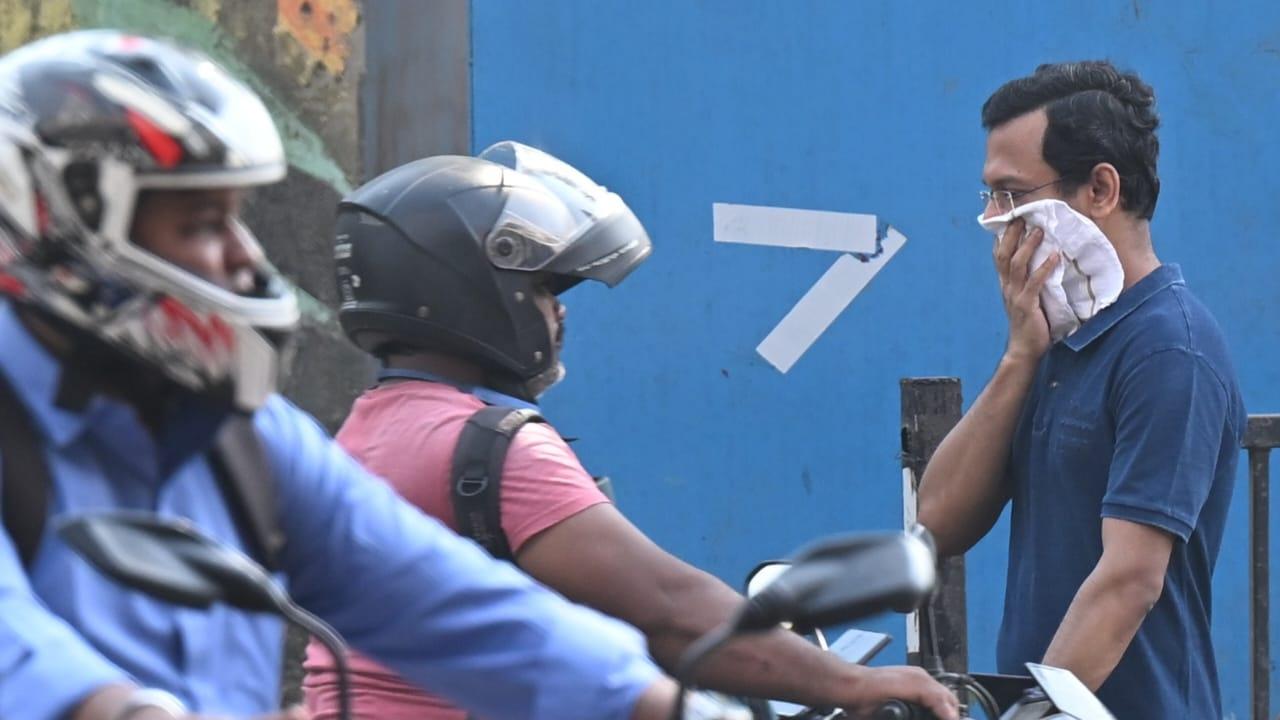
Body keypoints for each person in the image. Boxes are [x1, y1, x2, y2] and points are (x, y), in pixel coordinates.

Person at [0, 29, 701, 720]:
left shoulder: (239, 435)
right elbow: (21, 655)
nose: (246, 260)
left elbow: (438, 597)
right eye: (202, 226)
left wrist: (666, 707)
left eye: (239, 222)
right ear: (59, 232)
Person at [302, 143, 960, 720]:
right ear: (471, 290)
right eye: (539, 288)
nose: (557, 311)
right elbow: (670, 609)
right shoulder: (493, 448)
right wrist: (850, 682)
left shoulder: (365, 436)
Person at [917, 61, 1243, 719]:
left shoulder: (1169, 348)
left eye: (1010, 195)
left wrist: (1032, 712)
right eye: (987, 195)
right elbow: (936, 524)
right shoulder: (1060, 338)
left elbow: (1129, 581)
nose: (993, 219)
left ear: (1099, 188)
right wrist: (1020, 356)